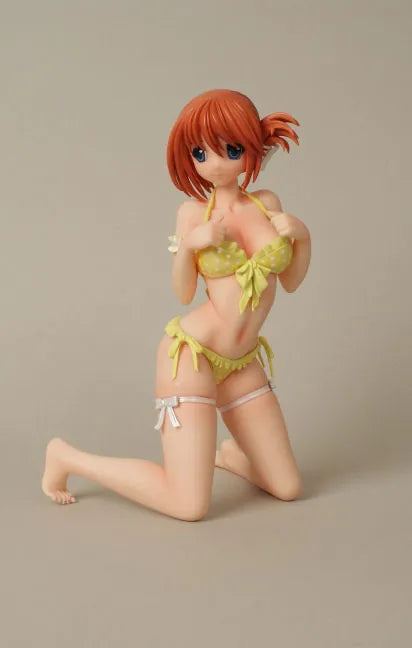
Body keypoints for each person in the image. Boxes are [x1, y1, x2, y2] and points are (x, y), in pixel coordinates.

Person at [41, 89, 311, 521]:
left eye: (231, 150)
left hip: (242, 361)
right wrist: (190, 247)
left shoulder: (267, 204)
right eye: (201, 153)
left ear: (252, 146)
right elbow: (183, 293)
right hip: (192, 357)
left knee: (289, 487)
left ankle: (233, 456)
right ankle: (68, 458)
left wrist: (302, 237)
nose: (215, 164)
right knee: (189, 506)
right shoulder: (192, 214)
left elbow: (292, 281)